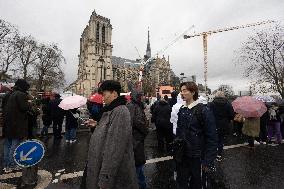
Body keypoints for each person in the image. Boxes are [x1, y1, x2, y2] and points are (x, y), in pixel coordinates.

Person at [83, 80, 138, 189]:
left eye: (104, 94)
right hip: (100, 168)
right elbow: (108, 133)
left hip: (112, 178)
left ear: (114, 93)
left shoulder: (120, 111)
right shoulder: (110, 110)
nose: (102, 98)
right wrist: (97, 125)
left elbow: (114, 149)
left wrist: (105, 179)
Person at [175, 82, 218, 189]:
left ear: (193, 92)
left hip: (198, 156)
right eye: (181, 91)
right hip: (183, 155)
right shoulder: (182, 109)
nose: (182, 93)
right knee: (182, 182)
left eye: (185, 90)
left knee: (197, 184)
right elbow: (179, 131)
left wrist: (208, 161)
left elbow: (212, 137)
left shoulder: (204, 110)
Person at [2, 79, 31, 173]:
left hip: (8, 124)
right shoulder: (21, 95)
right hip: (16, 125)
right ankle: (12, 165)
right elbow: (24, 108)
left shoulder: (10, 94)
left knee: (7, 145)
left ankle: (6, 165)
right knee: (14, 146)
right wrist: (29, 103)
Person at [127, 90, 149, 189]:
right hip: (135, 140)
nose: (143, 98)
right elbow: (139, 123)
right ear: (138, 97)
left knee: (137, 167)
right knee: (137, 166)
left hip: (135, 139)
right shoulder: (134, 106)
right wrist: (146, 130)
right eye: (142, 96)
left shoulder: (133, 105)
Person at [209, 91, 234, 161]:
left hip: (213, 124)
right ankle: (219, 155)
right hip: (224, 125)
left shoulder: (211, 104)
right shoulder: (228, 104)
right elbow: (232, 115)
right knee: (221, 140)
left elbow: (208, 114)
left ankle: (212, 154)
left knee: (213, 140)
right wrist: (227, 119)